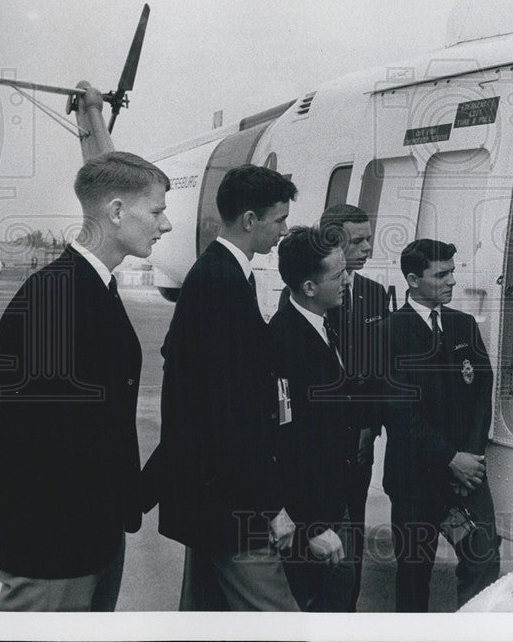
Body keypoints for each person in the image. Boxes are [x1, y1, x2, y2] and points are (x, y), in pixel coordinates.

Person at [0, 146, 172, 611]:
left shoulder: (97, 285)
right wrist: (4, 538)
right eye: (158, 211)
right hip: (49, 554)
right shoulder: (53, 296)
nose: (165, 224)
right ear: (117, 212)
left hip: (95, 538)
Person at [147, 164, 298, 611]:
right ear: (250, 220)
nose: (284, 231)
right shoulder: (222, 282)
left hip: (209, 495)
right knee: (278, 619)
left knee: (203, 614)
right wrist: (271, 506)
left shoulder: (220, 274)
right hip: (230, 502)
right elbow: (230, 412)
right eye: (279, 220)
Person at [380, 239, 500, 612]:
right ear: (413, 280)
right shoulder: (388, 333)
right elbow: (400, 414)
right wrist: (451, 458)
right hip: (415, 479)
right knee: (415, 575)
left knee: (483, 563)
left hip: (468, 477)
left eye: (453, 271)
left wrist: (472, 456)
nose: (451, 281)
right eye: (441, 274)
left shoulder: (462, 325)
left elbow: (483, 389)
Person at [270, 225, 354, 611]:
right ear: (308, 286)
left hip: (332, 503)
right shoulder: (285, 341)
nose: (347, 280)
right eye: (338, 275)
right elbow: (289, 443)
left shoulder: (321, 324)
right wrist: (314, 526)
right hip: (312, 519)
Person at [317, 203, 390, 610]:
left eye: (368, 237)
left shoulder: (374, 294)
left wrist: (370, 425)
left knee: (353, 527)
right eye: (358, 240)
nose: (368, 247)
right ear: (332, 240)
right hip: (324, 437)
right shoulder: (311, 289)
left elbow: (378, 368)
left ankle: (346, 610)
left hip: (361, 439)